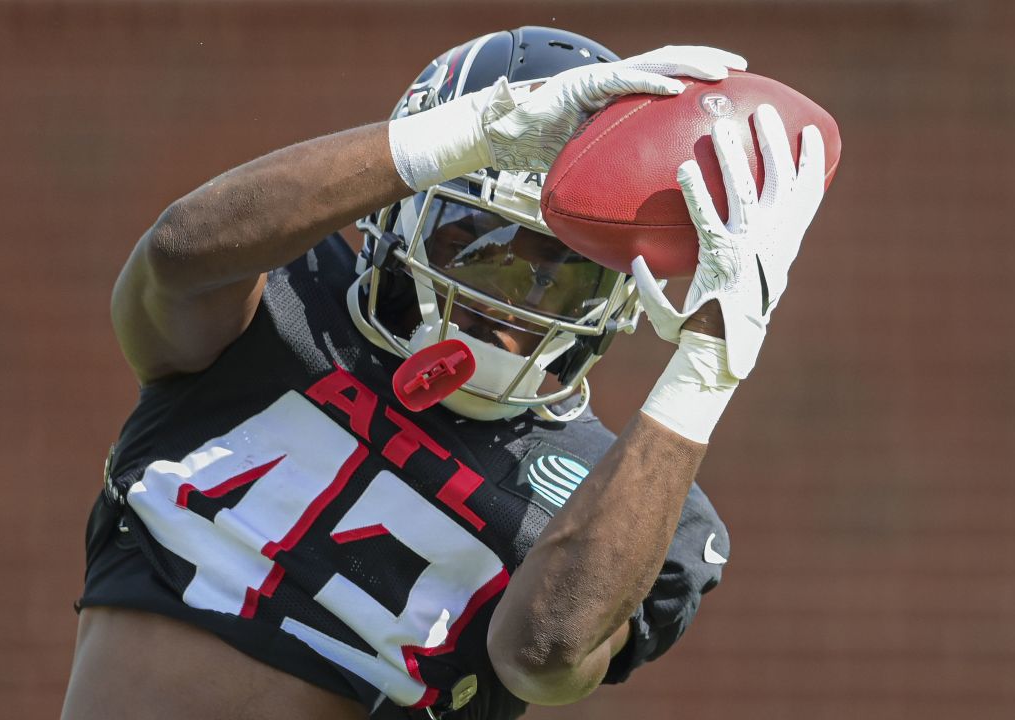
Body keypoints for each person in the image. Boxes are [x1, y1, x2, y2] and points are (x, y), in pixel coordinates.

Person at [62, 26, 825, 720]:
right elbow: (179, 255)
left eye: (564, 278)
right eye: (481, 246)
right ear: (406, 211)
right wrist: (474, 129)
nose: (517, 303)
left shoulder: (619, 494)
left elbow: (545, 654)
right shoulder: (276, 293)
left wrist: (706, 368)